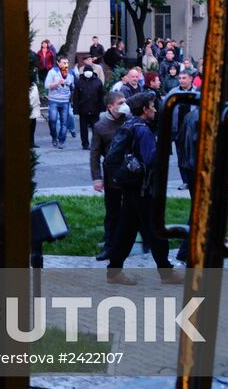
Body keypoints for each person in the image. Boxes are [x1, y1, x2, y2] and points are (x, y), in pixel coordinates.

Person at [101, 91, 181, 285]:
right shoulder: (143, 130)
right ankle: (166, 273)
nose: (154, 109)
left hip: (131, 187)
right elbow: (151, 161)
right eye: (152, 106)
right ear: (145, 109)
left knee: (126, 229)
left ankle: (114, 271)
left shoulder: (129, 125)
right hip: (143, 189)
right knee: (155, 229)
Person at [88, 90, 128, 261]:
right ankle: (109, 246)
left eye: (124, 102)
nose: (124, 105)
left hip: (131, 173)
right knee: (112, 212)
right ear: (110, 107)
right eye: (120, 103)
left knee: (135, 210)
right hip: (112, 175)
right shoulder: (101, 126)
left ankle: (140, 242)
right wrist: (97, 177)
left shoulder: (130, 120)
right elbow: (95, 153)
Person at [72, 58, 106, 151]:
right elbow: (76, 96)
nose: (88, 73)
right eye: (86, 71)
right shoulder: (79, 82)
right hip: (83, 108)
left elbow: (101, 95)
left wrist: (102, 107)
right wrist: (75, 109)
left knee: (96, 128)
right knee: (83, 128)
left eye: (89, 71)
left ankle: (96, 143)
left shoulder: (97, 82)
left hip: (95, 108)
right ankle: (85, 144)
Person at [44, 56, 75, 147]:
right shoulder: (53, 72)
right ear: (58, 63)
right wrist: (58, 83)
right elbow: (47, 85)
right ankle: (54, 137)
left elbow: (73, 87)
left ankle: (61, 141)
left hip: (65, 101)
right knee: (53, 120)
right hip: (54, 101)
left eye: (67, 62)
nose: (66, 64)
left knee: (64, 122)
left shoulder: (70, 73)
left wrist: (70, 85)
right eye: (63, 62)